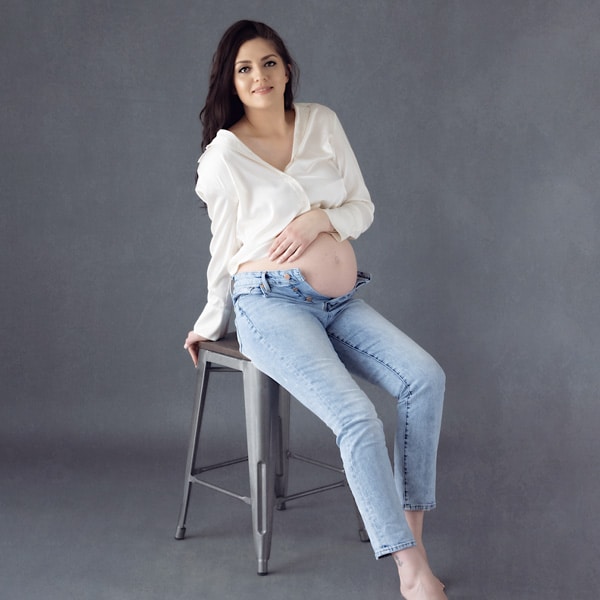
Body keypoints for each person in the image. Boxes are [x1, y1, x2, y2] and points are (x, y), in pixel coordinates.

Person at [184, 19, 447, 600]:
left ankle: (412, 533)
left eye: (270, 62)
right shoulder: (223, 155)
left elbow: (361, 205)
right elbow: (221, 248)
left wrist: (319, 219)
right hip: (268, 304)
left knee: (425, 378)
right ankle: (408, 568)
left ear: (287, 68)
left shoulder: (322, 122)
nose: (260, 76)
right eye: (245, 68)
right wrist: (209, 324)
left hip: (337, 302)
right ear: (231, 80)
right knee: (356, 418)